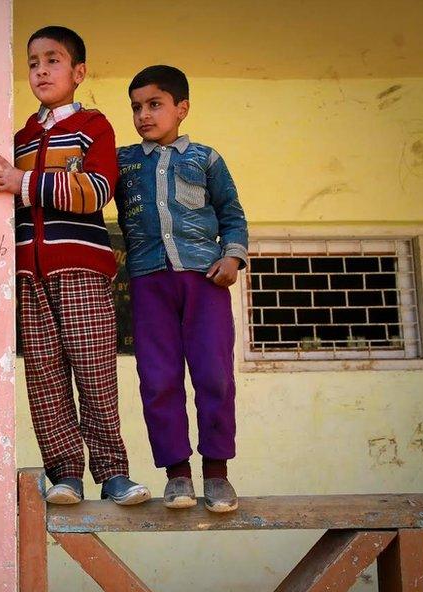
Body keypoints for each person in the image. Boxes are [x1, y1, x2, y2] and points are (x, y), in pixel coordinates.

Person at [0, 26, 149, 505]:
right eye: (33, 62)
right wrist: (26, 181)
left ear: (79, 72)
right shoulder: (18, 138)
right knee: (44, 377)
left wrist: (23, 182)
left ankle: (114, 473)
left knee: (95, 372)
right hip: (28, 274)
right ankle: (66, 476)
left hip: (80, 267)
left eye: (52, 60)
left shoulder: (94, 126)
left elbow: (95, 190)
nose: (40, 70)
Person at [116, 65, 249, 513]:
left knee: (214, 374)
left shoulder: (206, 159)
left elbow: (232, 212)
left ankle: (216, 472)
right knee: (157, 378)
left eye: (154, 104)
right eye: (136, 107)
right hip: (150, 281)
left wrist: (232, 256)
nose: (143, 115)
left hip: (204, 280)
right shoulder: (124, 161)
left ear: (182, 108)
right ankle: (177, 474)